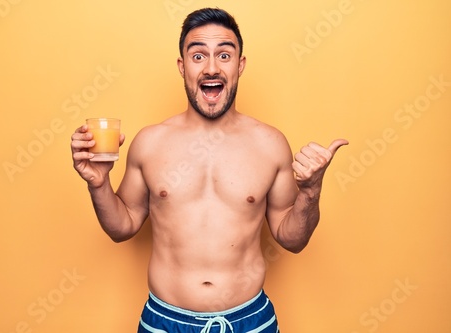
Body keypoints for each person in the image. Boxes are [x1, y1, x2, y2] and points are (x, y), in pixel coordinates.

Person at [71, 7, 348, 333]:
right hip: (165, 322)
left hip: (251, 322)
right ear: (182, 66)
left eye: (225, 55)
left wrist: (311, 192)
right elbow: (123, 226)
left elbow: (292, 239)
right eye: (198, 56)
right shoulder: (149, 142)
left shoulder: (270, 144)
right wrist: (99, 184)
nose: (212, 68)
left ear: (240, 66)